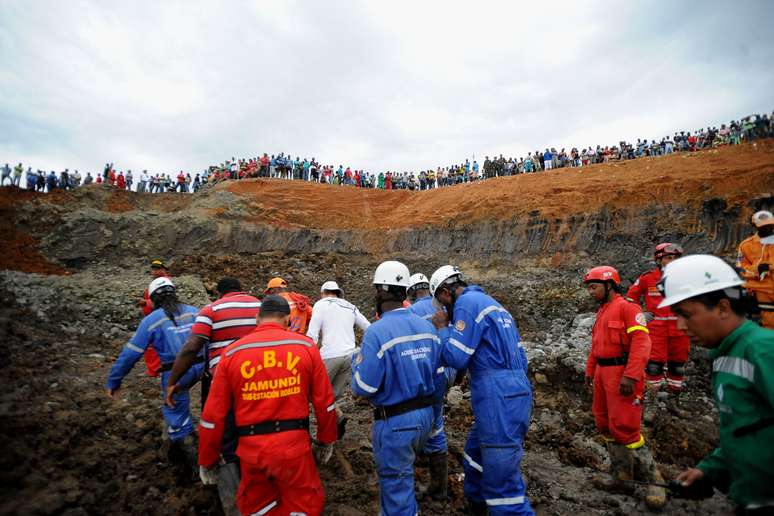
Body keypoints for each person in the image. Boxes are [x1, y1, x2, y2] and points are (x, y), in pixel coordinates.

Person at [198, 295, 337, 516]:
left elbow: (213, 416)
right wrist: (325, 441)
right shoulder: (305, 347)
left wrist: (207, 459)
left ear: (257, 318)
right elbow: (325, 403)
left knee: (258, 507)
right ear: (288, 320)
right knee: (305, 504)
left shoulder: (232, 353)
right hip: (295, 450)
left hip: (253, 454)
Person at [659, 255, 774, 512]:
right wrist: (709, 471)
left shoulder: (763, 351)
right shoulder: (723, 355)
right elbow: (747, 429)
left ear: (723, 307)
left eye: (686, 315)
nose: (679, 326)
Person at [429, 265, 533, 515]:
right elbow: (521, 357)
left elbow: (455, 356)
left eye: (442, 303)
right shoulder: (494, 305)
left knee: (502, 485)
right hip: (514, 389)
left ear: (445, 292)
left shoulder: (465, 303)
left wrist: (443, 328)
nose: (443, 310)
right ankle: (476, 505)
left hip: (498, 397)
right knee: (475, 458)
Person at [351, 261, 441, 516]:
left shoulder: (377, 332)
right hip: (425, 418)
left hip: (396, 423)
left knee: (396, 492)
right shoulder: (427, 327)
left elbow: (363, 388)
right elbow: (436, 375)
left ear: (381, 291)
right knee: (402, 482)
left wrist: (355, 366)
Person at [166, 277, 261, 516]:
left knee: (225, 438)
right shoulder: (259, 306)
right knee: (256, 431)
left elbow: (191, 348)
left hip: (225, 380)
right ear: (240, 290)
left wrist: (174, 381)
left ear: (220, 293)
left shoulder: (211, 310)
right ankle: (261, 495)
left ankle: (234, 505)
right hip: (261, 378)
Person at [583, 266, 665, 510]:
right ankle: (622, 477)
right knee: (605, 424)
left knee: (626, 428)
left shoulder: (628, 308)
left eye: (594, 287)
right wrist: (590, 372)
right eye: (589, 287)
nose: (591, 292)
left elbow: (642, 343)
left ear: (609, 285)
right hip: (602, 373)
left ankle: (654, 481)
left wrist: (631, 375)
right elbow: (596, 345)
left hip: (622, 374)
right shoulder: (602, 311)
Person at [106, 278, 202, 468]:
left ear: (153, 298)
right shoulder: (194, 312)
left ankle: (190, 465)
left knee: (176, 414)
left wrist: (113, 381)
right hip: (203, 367)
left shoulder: (151, 320)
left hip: (176, 373)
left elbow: (131, 353)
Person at [627, 243, 690, 422]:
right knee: (653, 366)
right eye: (668, 258)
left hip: (681, 330)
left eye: (676, 258)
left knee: (677, 366)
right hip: (656, 331)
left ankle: (673, 402)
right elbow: (630, 298)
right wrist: (640, 313)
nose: (672, 262)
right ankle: (652, 402)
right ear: (659, 259)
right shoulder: (648, 278)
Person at [408, 271, 455, 500]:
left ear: (411, 291)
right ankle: (440, 487)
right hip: (449, 371)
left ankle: (421, 463)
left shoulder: (412, 311)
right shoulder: (446, 306)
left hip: (430, 375)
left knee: (424, 419)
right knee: (437, 420)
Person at [306, 280, 370, 438]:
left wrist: (307, 359)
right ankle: (338, 421)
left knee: (316, 395)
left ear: (323, 293)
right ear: (338, 292)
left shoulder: (321, 304)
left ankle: (325, 434)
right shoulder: (350, 306)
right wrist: (363, 352)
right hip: (350, 356)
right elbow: (369, 328)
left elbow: (312, 335)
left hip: (330, 356)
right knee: (331, 397)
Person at [737, 210, 774, 329]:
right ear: (755, 226)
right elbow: (741, 269)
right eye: (764, 226)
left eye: (771, 225)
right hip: (759, 292)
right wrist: (757, 269)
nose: (769, 228)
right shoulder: (746, 245)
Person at [137, 259, 170, 377]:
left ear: (163, 269)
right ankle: (157, 369)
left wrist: (146, 303)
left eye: (157, 269)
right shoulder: (157, 282)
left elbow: (164, 301)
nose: (154, 271)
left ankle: (155, 370)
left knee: (152, 345)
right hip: (154, 317)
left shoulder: (164, 283)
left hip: (158, 318)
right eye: (153, 269)